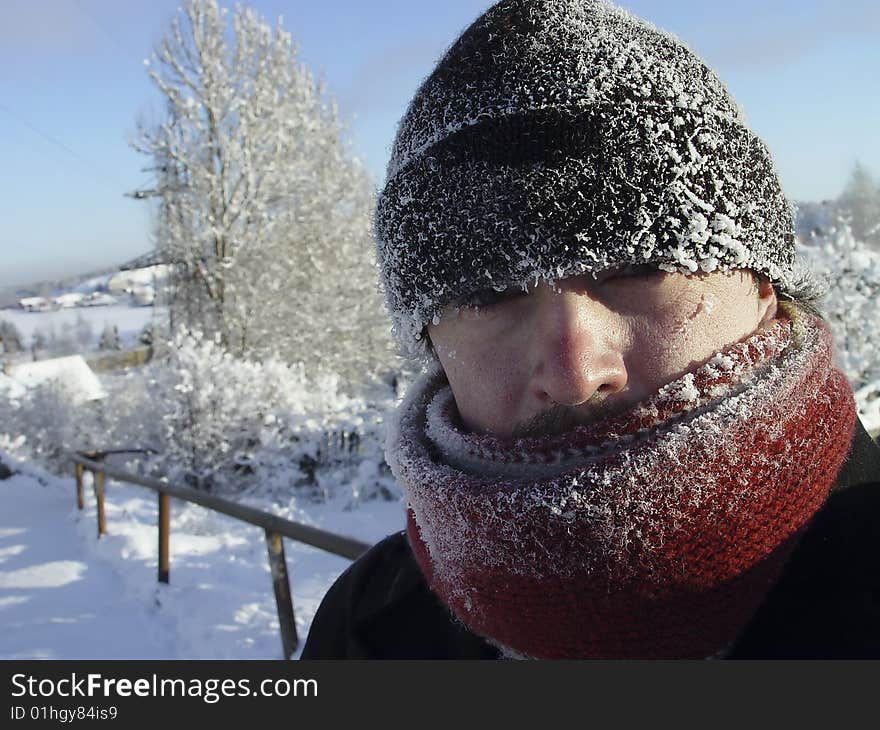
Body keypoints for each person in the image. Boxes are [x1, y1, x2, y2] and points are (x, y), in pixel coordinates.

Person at [301, 0, 880, 659]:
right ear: (432, 343)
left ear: (762, 285)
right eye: (489, 295)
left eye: (639, 268)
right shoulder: (364, 629)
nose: (576, 370)